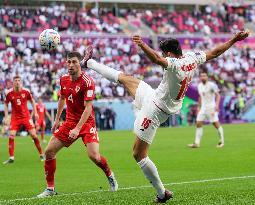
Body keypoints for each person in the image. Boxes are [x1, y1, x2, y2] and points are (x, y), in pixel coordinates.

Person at [85, 30, 249, 203]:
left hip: (155, 110)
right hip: (155, 96)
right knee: (126, 79)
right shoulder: (192, 57)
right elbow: (215, 52)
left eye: (165, 53)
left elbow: (156, 59)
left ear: (170, 54)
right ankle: (90, 62)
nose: (164, 56)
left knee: (138, 154)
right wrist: (235, 39)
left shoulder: (173, 64)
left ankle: (162, 193)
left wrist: (142, 44)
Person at [37, 51, 118, 198]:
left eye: (74, 62)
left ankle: (110, 174)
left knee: (94, 156)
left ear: (80, 63)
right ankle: (50, 189)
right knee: (49, 152)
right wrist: (56, 120)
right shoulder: (63, 79)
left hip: (86, 123)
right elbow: (61, 98)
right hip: (69, 122)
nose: (71, 65)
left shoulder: (87, 82)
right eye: (68, 62)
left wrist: (78, 128)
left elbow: (88, 108)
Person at [3, 75, 44, 164]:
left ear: (20, 82)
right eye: (15, 80)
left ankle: (41, 154)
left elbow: (32, 101)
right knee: (11, 136)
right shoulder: (9, 93)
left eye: (18, 80)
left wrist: (35, 112)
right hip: (15, 118)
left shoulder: (26, 91)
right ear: (13, 82)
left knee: (34, 135)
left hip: (26, 117)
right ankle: (11, 158)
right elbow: (5, 104)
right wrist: (6, 116)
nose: (17, 82)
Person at [188, 70, 224, 148]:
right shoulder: (199, 86)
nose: (203, 77)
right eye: (201, 76)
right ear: (200, 77)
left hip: (211, 108)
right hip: (203, 108)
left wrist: (217, 106)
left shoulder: (212, 85)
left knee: (216, 124)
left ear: (207, 77)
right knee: (198, 123)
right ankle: (197, 143)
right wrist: (198, 107)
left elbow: (218, 95)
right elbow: (200, 96)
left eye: (204, 76)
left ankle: (222, 141)